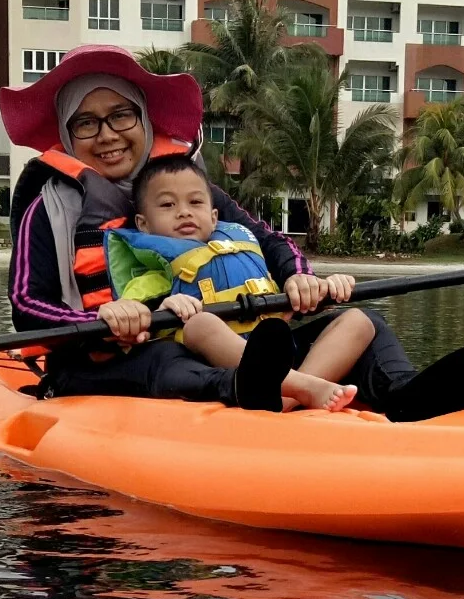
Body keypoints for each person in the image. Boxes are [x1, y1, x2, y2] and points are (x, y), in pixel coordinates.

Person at [1, 45, 464, 419]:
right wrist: (107, 314)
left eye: (120, 115)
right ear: (69, 133)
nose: (108, 135)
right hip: (102, 359)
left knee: (366, 321)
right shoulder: (49, 209)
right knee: (166, 355)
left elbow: (270, 241)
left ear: (145, 120)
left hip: (241, 345)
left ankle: (400, 395)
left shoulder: (184, 188)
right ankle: (265, 390)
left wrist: (299, 277)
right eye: (87, 123)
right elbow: (28, 307)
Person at [108, 154, 369, 412]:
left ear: (214, 218)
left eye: (195, 202)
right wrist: (161, 309)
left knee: (359, 321)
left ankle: (291, 397)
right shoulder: (150, 275)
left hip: (277, 350)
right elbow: (134, 325)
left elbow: (292, 301)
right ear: (143, 224)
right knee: (199, 323)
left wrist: (330, 286)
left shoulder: (246, 255)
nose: (184, 212)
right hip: (217, 367)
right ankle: (300, 389)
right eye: (167, 205)